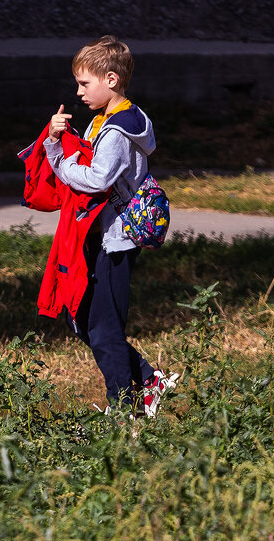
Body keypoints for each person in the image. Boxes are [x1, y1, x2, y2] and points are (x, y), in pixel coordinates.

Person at [43, 35, 178, 417]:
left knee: (102, 328)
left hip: (116, 241)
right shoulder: (104, 120)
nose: (78, 91)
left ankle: (125, 408)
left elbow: (97, 178)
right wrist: (58, 138)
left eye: (85, 83)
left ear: (112, 80)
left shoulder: (118, 130)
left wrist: (57, 159)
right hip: (100, 235)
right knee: (83, 318)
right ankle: (150, 381)